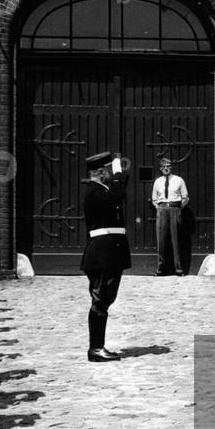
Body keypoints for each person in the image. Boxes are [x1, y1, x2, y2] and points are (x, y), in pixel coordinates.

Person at [80, 151, 129, 362]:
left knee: (105, 299)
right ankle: (96, 348)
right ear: (101, 172)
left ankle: (98, 347)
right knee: (100, 300)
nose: (112, 174)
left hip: (109, 253)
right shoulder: (94, 192)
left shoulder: (102, 190)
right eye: (109, 171)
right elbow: (116, 196)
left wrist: (117, 178)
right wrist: (117, 177)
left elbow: (117, 196)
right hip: (101, 254)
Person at [150, 157, 188, 276]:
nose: (166, 168)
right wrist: (158, 208)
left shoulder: (179, 180)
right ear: (160, 169)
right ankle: (160, 269)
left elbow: (185, 197)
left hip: (174, 209)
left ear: (171, 167)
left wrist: (178, 208)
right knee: (161, 240)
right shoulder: (157, 181)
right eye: (164, 167)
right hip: (162, 210)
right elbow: (154, 198)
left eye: (168, 166)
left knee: (176, 240)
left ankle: (178, 269)